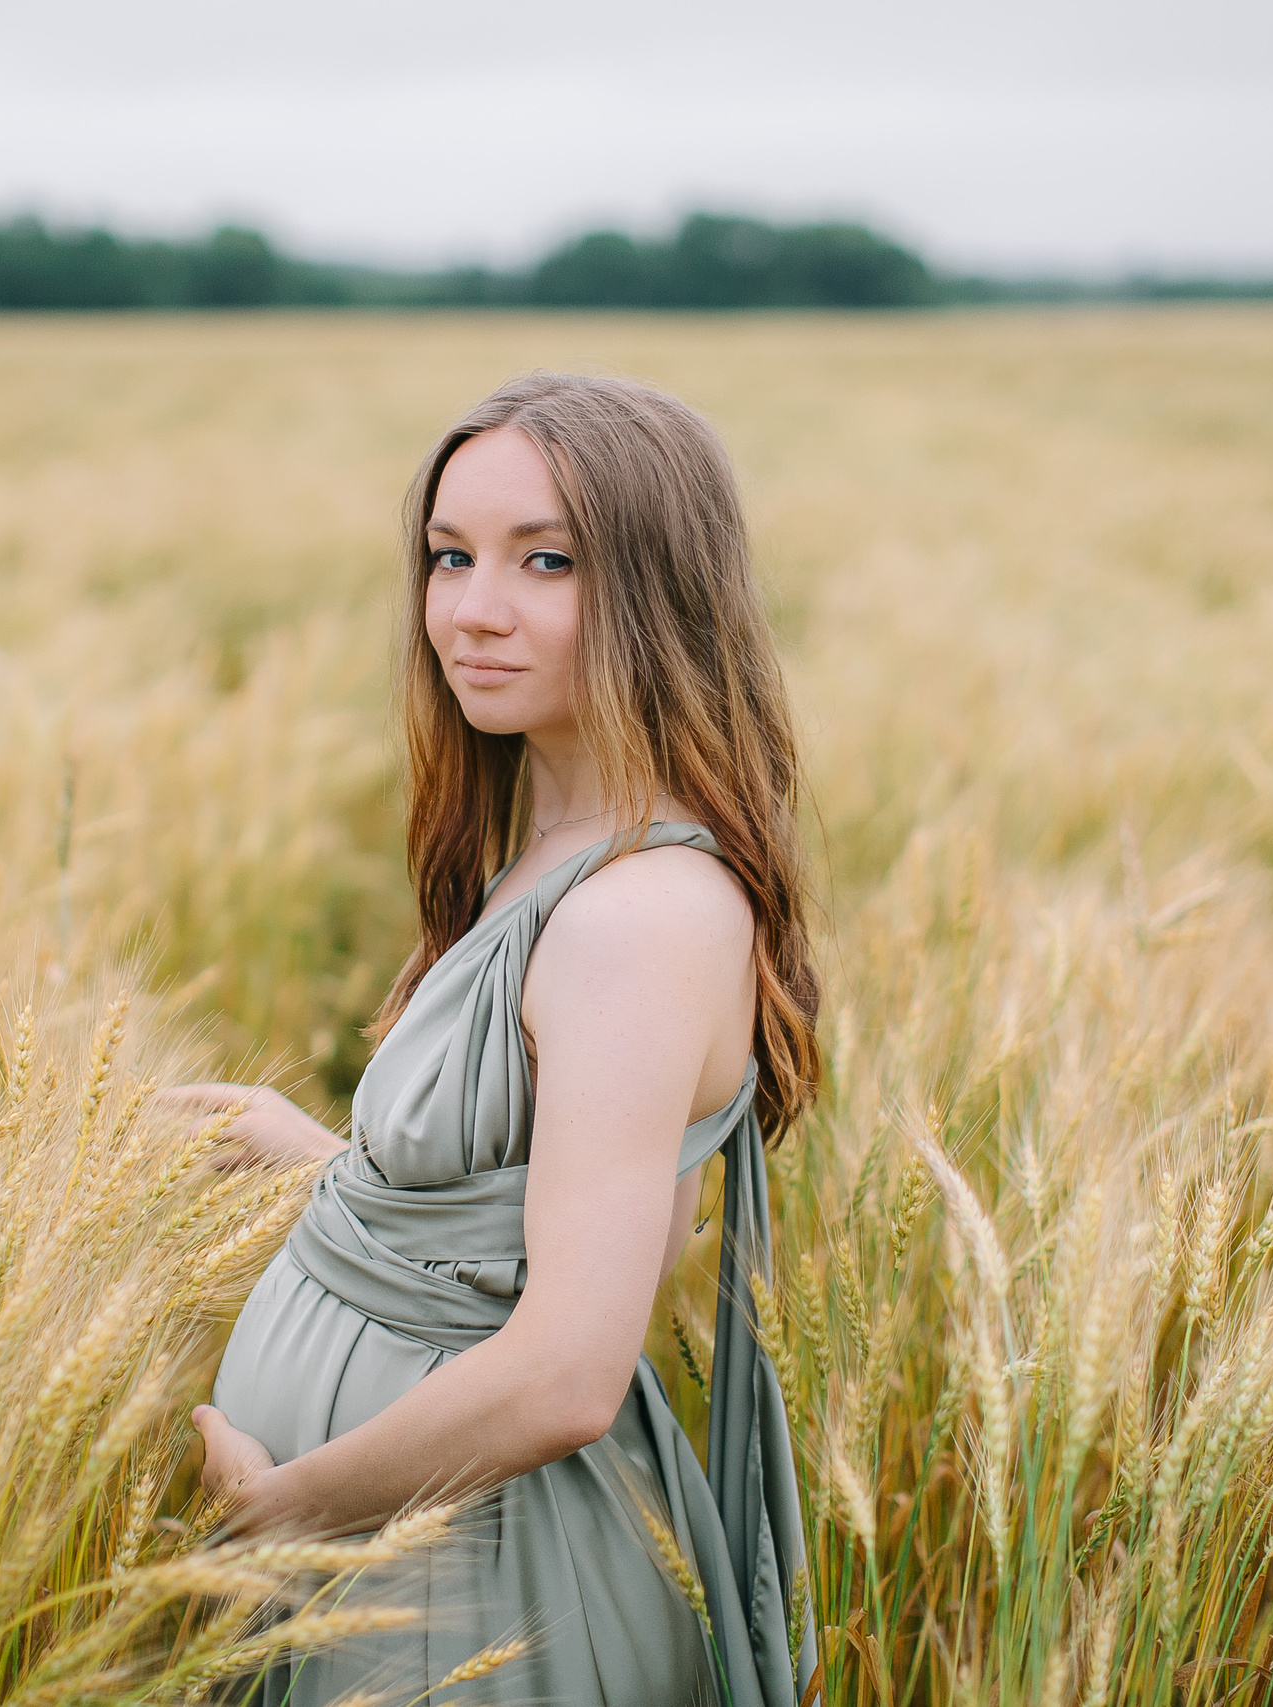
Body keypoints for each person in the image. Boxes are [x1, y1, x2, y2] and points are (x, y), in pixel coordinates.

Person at [168, 371, 820, 1706]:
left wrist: (289, 1516)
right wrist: (323, 1168)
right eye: (450, 555)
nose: (473, 609)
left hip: (469, 1588)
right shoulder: (555, 856)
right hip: (398, 1562)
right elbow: (520, 1223)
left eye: (548, 562)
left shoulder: (633, 914)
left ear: (659, 590)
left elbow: (569, 1370)